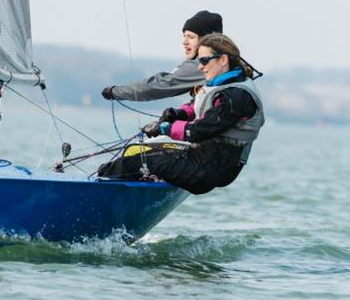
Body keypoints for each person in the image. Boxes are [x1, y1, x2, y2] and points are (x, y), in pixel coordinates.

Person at [97, 33, 264, 195]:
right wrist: (178, 113)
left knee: (130, 165)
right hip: (204, 158)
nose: (200, 66)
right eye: (199, 61)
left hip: (212, 169)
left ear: (223, 60)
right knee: (136, 154)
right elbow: (200, 107)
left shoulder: (236, 96)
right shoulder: (225, 85)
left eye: (204, 61)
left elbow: (201, 129)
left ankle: (99, 201)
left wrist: (165, 128)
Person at [101, 10, 223, 102]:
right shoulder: (226, 59)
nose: (184, 42)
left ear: (207, 40)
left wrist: (116, 92)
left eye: (191, 37)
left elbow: (160, 85)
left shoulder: (205, 65)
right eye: (184, 36)